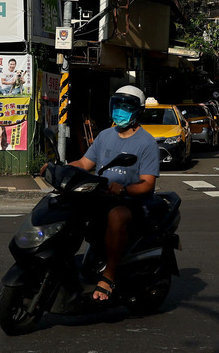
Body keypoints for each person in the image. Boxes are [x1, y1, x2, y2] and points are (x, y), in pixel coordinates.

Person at [67, 85, 160, 304]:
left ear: (138, 111)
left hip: (133, 202)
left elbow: (147, 183)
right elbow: (84, 163)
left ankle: (108, 276)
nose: (120, 110)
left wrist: (124, 189)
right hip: (102, 197)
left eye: (126, 106)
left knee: (116, 216)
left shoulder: (147, 143)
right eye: (117, 105)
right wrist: (60, 169)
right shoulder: (104, 136)